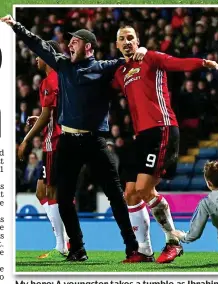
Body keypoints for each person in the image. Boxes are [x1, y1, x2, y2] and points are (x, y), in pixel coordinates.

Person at [2, 15, 146, 262]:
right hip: (68, 142)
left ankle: (132, 248)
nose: (69, 45)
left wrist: (141, 49)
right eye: (70, 42)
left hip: (95, 143)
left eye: (75, 42)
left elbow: (132, 58)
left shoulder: (103, 68)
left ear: (88, 46)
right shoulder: (62, 64)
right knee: (63, 198)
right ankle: (77, 248)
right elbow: (38, 45)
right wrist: (17, 26)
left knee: (115, 195)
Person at [113, 25, 218, 263]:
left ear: (138, 40)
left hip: (162, 129)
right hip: (140, 136)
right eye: (122, 39)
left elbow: (178, 63)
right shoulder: (120, 71)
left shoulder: (150, 58)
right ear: (117, 45)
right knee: (130, 193)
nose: (127, 42)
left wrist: (204, 62)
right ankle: (144, 250)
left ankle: (174, 242)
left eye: (131, 37)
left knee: (143, 188)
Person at [18, 40, 68, 259]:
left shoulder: (52, 80)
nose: (35, 58)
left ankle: (62, 244)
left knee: (52, 192)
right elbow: (53, 113)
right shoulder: (58, 79)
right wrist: (40, 118)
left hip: (55, 142)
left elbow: (49, 114)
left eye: (38, 54)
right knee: (41, 191)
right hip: (54, 139)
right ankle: (63, 239)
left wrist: (26, 140)